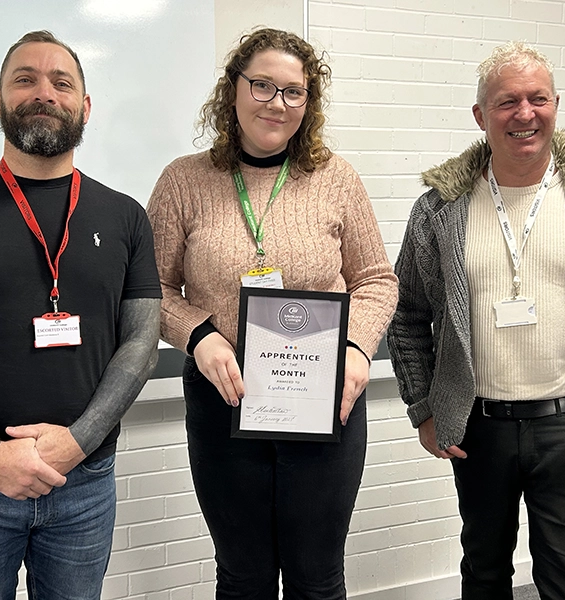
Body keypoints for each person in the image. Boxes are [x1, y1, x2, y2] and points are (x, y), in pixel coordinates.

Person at [387, 41, 565, 600]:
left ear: (555, 105)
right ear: (480, 115)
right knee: (485, 572)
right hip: (478, 428)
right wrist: (425, 407)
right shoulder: (440, 208)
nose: (525, 113)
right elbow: (407, 312)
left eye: (537, 98)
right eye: (507, 102)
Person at [0, 30, 161, 599]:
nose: (43, 92)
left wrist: (77, 442)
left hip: (84, 481)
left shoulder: (125, 216)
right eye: (25, 79)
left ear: (84, 107)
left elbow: (141, 343)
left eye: (61, 82)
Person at [147, 28, 397, 600]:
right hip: (224, 398)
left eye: (294, 92)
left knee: (317, 574)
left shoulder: (337, 178)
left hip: (325, 397)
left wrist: (357, 350)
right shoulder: (184, 180)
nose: (276, 103)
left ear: (308, 104)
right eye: (262, 85)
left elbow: (377, 280)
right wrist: (198, 336)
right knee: (243, 573)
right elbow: (152, 289)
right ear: (232, 90)